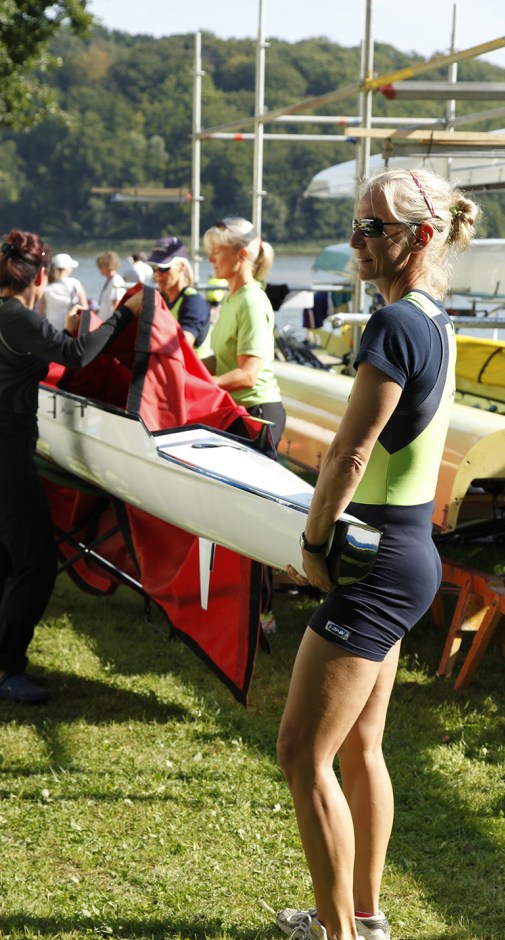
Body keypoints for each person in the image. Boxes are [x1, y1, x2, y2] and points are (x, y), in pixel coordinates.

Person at [242, 169, 480, 940]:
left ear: (418, 238)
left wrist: (312, 541)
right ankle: (365, 915)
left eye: (371, 229)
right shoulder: (432, 319)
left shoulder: (391, 327)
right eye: (354, 225)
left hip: (376, 561)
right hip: (408, 552)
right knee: (361, 747)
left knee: (300, 751)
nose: (355, 242)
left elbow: (347, 453)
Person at [0, 229, 143, 705]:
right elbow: (77, 356)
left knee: (1, 556)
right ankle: (1, 669)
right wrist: (125, 312)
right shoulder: (17, 316)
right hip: (1, 451)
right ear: (39, 276)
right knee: (36, 563)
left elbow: (59, 352)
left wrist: (76, 329)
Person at [202, 217, 286, 634]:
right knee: (231, 515)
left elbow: (248, 374)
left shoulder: (252, 300)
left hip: (257, 414)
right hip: (238, 414)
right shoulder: (230, 297)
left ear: (240, 255)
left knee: (252, 518)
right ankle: (239, 605)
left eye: (216, 251)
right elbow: (216, 361)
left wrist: (197, 384)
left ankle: (263, 614)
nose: (209, 258)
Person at [148, 236, 211, 354]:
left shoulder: (193, 302)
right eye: (154, 267)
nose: (158, 274)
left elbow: (182, 347)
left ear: (182, 266)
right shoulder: (162, 299)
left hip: (192, 371)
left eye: (164, 268)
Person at [38, 253, 88, 330]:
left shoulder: (46, 288)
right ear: (66, 269)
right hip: (70, 329)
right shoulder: (75, 284)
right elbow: (85, 308)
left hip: (51, 330)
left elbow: (41, 312)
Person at [96, 250, 126, 322]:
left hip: (108, 323)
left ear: (108, 265)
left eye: (101, 266)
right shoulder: (109, 280)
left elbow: (117, 303)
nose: (99, 268)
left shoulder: (117, 281)